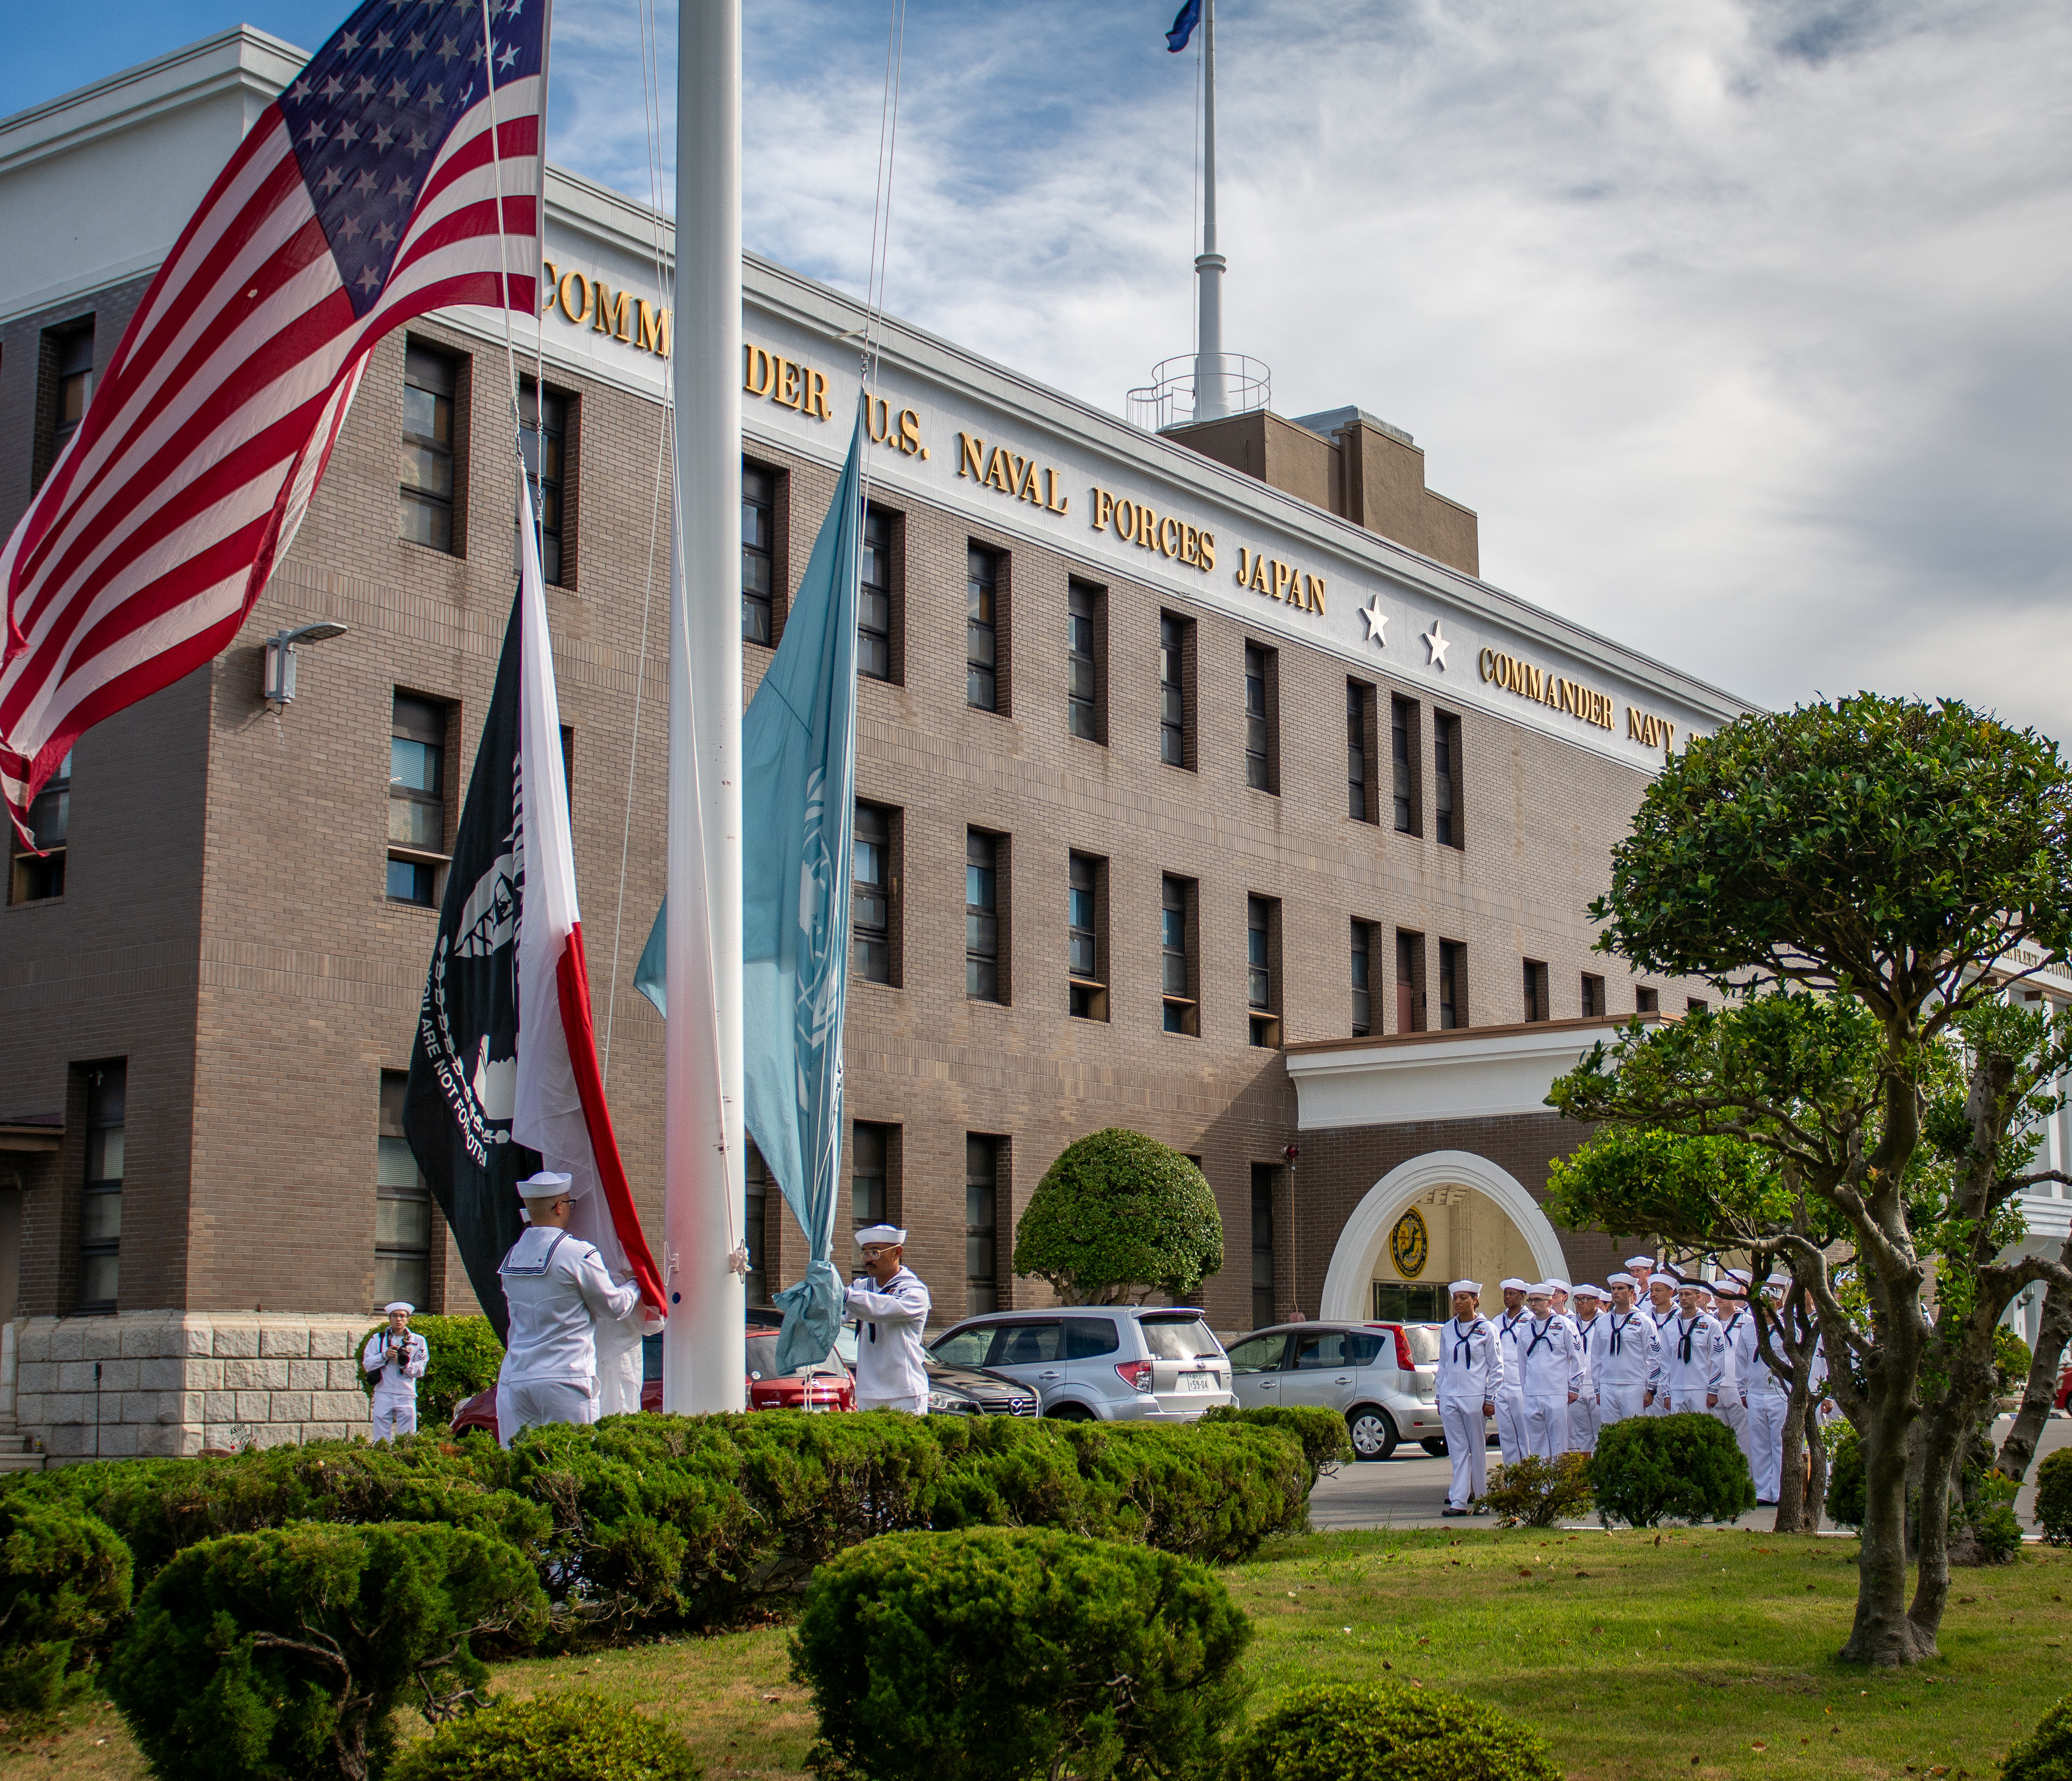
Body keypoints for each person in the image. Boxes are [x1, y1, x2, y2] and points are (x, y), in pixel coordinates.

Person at [495, 1170, 641, 1448]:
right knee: (573, 1463)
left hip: (521, 1379)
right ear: (561, 1207)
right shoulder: (578, 1253)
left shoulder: (512, 1257)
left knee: (532, 1468)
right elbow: (615, 1306)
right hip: (566, 1377)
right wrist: (635, 1284)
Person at [847, 1223, 932, 1413]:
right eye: (865, 1253)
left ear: (897, 1253)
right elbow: (837, 1315)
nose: (868, 1260)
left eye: (875, 1253)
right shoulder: (861, 1287)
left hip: (904, 1392)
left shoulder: (914, 1291)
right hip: (868, 1392)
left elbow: (881, 1309)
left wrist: (844, 1296)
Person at [1436, 1279, 1501, 1517]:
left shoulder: (1488, 1329)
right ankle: (1459, 1501)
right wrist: (1439, 1395)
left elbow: (1497, 1367)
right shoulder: (1448, 1330)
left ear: (1475, 1300)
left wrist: (1491, 1398)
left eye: (1464, 1298)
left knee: (1477, 1448)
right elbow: (1443, 1365)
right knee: (1457, 1450)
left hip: (1475, 1396)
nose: (1458, 1303)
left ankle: (1482, 1499)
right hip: (1451, 1396)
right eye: (1455, 1298)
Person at [1518, 1283, 1583, 1461]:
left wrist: (1574, 1387)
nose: (1533, 1304)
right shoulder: (1525, 1329)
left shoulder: (1564, 1325)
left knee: (1559, 1445)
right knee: (1538, 1446)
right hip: (1533, 1394)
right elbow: (1522, 1364)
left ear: (1550, 1302)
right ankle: (1542, 1487)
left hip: (1556, 1392)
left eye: (1538, 1300)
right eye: (1531, 1300)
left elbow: (1577, 1357)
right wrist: (1527, 1391)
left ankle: (1558, 1486)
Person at [1745, 1274, 1794, 1504]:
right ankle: (1763, 1491)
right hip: (1755, 1392)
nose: (1765, 1308)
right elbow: (1742, 1360)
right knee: (1760, 1443)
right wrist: (1743, 1389)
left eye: (1769, 1303)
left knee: (1779, 1443)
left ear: (1778, 1304)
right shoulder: (1748, 1328)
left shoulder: (1790, 1329)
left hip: (1779, 1393)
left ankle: (1780, 1492)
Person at [1649, 1280, 1723, 1416]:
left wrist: (1713, 1390)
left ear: (1698, 1297)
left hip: (1701, 1388)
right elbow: (1665, 1362)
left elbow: (1718, 1359)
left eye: (1688, 1294)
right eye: (1681, 1295)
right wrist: (1667, 1392)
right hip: (1676, 1389)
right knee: (1678, 1433)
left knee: (1701, 1431)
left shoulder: (1711, 1324)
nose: (1683, 1298)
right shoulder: (1669, 1327)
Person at [1592, 1275, 1655, 1429]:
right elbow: (1596, 1357)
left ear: (1632, 1293)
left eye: (1621, 1289)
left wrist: (1652, 1389)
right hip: (1608, 1385)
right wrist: (1598, 1388)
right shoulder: (1602, 1322)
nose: (1616, 1292)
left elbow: (1655, 1357)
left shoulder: (1644, 1321)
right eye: (1613, 1289)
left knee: (1634, 1433)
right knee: (1610, 1433)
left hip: (1634, 1385)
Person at [363, 1300, 427, 1442]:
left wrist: (405, 1364)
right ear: (389, 1318)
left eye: (402, 1316)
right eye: (394, 1316)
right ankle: (381, 1458)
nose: (398, 1319)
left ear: (408, 1319)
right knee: (381, 1431)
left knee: (407, 1434)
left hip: (406, 1392)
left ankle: (404, 1459)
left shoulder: (418, 1341)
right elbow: (367, 1364)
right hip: (383, 1391)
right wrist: (384, 1355)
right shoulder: (378, 1339)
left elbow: (420, 1370)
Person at [1493, 1278, 1532, 1466]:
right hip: (1502, 1385)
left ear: (1523, 1296)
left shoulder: (1531, 1320)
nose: (1507, 1297)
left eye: (1512, 1294)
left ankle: (1530, 1477)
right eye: (1506, 1294)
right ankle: (1512, 1477)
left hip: (1521, 1383)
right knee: (1507, 1435)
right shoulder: (1497, 1321)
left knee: (1525, 1434)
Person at [1713, 1276, 1754, 1453]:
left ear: (1735, 1297)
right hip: (1714, 1386)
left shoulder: (1747, 1322)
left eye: (1724, 1294)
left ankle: (1747, 1478)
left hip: (1737, 1386)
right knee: (1719, 1436)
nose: (1719, 1298)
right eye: (1716, 1294)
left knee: (1744, 1436)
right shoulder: (1708, 1321)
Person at [1568, 1285, 1607, 1454]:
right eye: (1577, 1300)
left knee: (1602, 1435)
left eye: (1585, 1300)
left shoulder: (1605, 1322)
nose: (1580, 1304)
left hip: (1598, 1386)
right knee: (1582, 1436)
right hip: (1576, 1387)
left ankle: (1602, 1478)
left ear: (1596, 1302)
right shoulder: (1570, 1324)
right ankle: (1587, 1478)